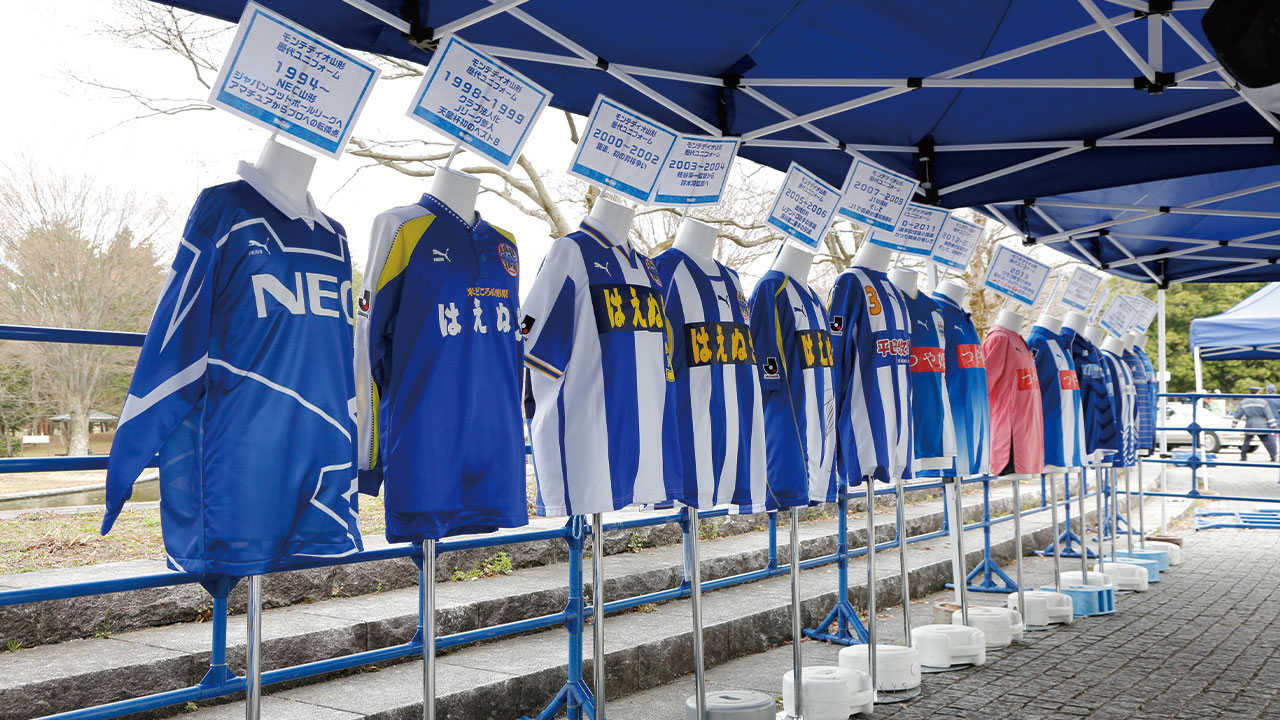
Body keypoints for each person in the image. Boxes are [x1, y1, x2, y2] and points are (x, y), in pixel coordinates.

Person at [1233, 387, 1279, 462]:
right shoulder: (1263, 402)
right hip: (1261, 424)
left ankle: (1243, 457)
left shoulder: (1244, 402)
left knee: (1246, 442)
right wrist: (1273, 425)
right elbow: (1269, 414)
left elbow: (1238, 414)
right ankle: (1273, 456)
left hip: (1250, 424)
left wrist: (1233, 425)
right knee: (1266, 441)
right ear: (1258, 392)